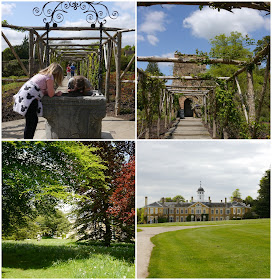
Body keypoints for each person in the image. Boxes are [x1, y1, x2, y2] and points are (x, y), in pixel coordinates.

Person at [13, 62, 64, 139]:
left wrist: (53, 93)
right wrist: (56, 93)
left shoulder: (42, 74)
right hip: (30, 100)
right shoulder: (50, 77)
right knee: (30, 123)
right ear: (57, 73)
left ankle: (28, 138)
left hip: (24, 97)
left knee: (33, 120)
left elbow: (41, 89)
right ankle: (28, 139)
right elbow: (51, 94)